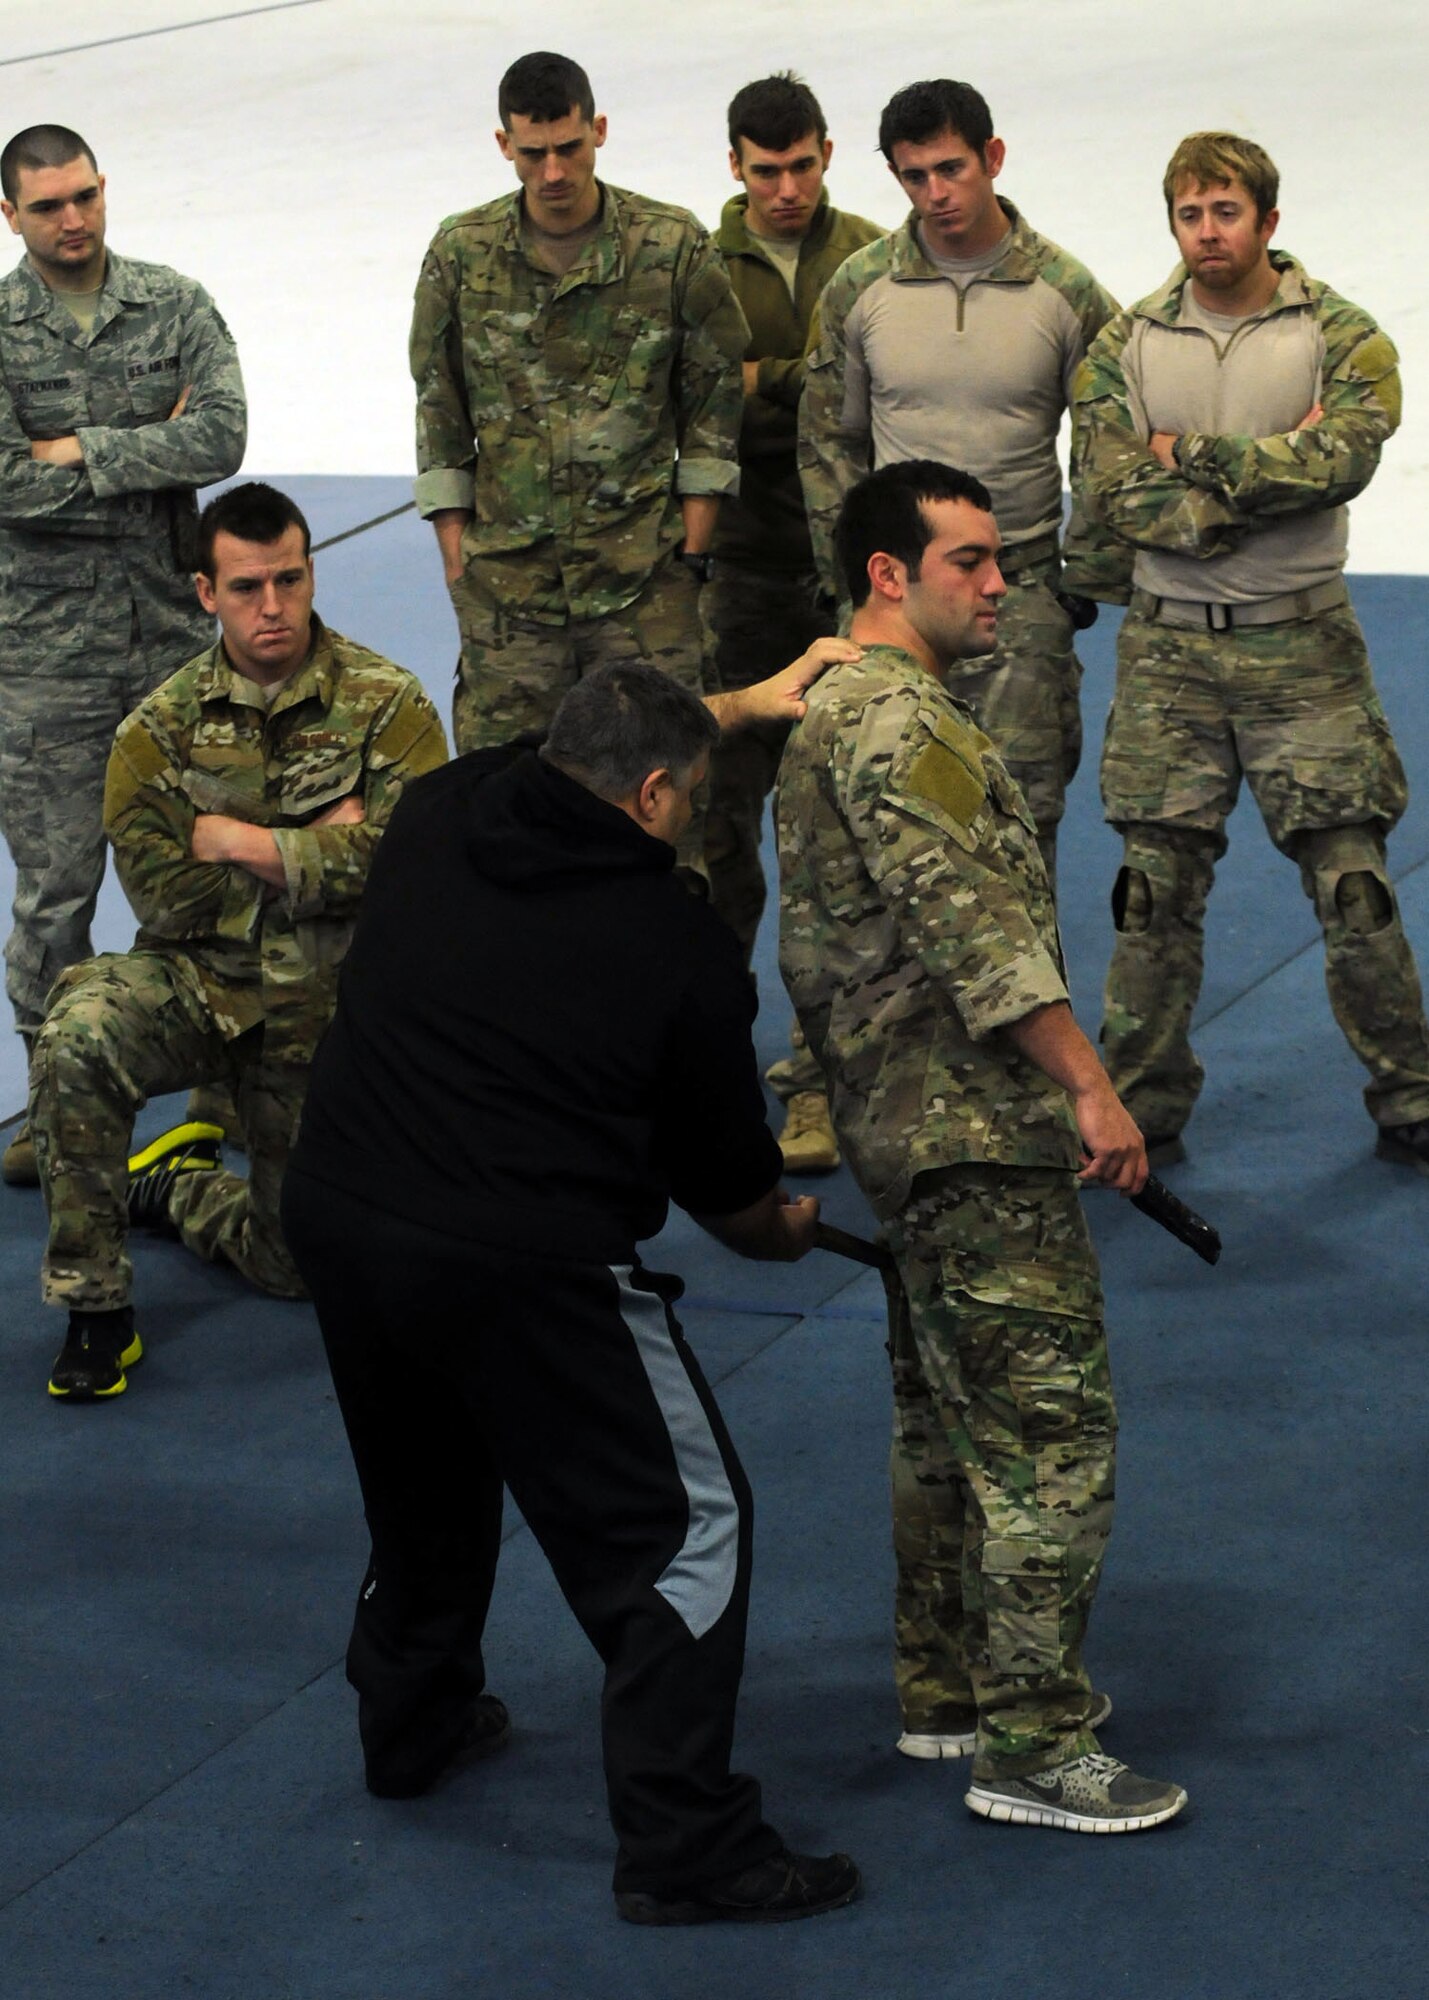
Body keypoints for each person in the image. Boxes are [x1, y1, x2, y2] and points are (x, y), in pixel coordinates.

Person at [280, 659, 861, 1924]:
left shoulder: (445, 804)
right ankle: (687, 1845)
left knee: (423, 1476)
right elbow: (728, 1188)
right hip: (519, 1258)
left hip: (339, 1207)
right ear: (653, 796)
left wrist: (728, 704)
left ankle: (414, 1720)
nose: (697, 812)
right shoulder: (678, 945)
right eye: (692, 791)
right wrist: (783, 1232)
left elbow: (585, 741)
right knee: (687, 1528)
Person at [777, 460, 1187, 1834]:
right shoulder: (899, 727)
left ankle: (948, 1689)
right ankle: (1034, 1738)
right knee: (1046, 1431)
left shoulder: (840, 709)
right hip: (968, 1122)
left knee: (943, 1418)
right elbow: (977, 933)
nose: (998, 580)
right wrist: (1089, 1087)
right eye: (969, 559)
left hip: (906, 1122)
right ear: (888, 574)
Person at [28, 482, 447, 1402]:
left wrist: (250, 843)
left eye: (290, 581)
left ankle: (176, 1191)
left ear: (309, 575)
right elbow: (167, 895)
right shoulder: (157, 730)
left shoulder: (387, 702)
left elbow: (416, 867)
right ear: (205, 593)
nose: (273, 607)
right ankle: (95, 1307)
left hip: (334, 1008)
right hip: (204, 984)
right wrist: (327, 844)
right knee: (80, 1027)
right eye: (249, 587)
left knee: (296, 1266)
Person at [1073, 132, 1429, 1168]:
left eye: (1225, 212)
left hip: (1303, 648)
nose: (1205, 233)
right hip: (1169, 656)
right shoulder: (1126, 342)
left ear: (1267, 222)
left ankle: (1410, 1089)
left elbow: (1341, 457)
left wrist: (1185, 452)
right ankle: (1140, 1100)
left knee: (1352, 884)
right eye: (1188, 214)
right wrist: (1251, 490)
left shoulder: (1344, 335)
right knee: (1149, 892)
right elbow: (1108, 488)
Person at [408, 51, 748, 869]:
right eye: (533, 153)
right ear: (504, 145)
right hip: (508, 598)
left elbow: (713, 398)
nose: (554, 170)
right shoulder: (462, 254)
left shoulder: (668, 247)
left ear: (598, 131)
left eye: (570, 146)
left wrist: (692, 550)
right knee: (503, 803)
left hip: (644, 587)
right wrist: (458, 561)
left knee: (668, 810)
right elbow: (438, 408)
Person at [799, 79, 1128, 888]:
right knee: (876, 813)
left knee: (1018, 821)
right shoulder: (859, 288)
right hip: (893, 599)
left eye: (951, 169)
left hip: (1014, 600)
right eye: (913, 176)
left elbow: (1110, 438)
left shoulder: (1065, 292)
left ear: (993, 157)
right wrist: (847, 574)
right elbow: (826, 441)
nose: (935, 194)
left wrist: (1077, 572)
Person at [0, 124, 247, 1186]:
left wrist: (77, 450)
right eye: (48, 204)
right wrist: (144, 451)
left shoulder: (174, 300)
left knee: (201, 871)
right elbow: (6, 486)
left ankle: (226, 1077)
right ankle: (61, 1111)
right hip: (42, 660)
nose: (72, 219)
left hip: (171, 647)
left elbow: (224, 437)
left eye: (85, 196)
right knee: (55, 896)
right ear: (10, 213)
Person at [704, 73, 882, 1174]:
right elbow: (696, 397)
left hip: (838, 569)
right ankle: (711, 1055)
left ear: (825, 156)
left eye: (801, 166)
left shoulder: (868, 250)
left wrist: (766, 386)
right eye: (764, 170)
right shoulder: (692, 265)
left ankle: (822, 1075)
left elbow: (855, 402)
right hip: (734, 575)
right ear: (734, 165)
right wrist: (794, 383)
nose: (784, 188)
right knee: (721, 833)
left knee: (829, 837)